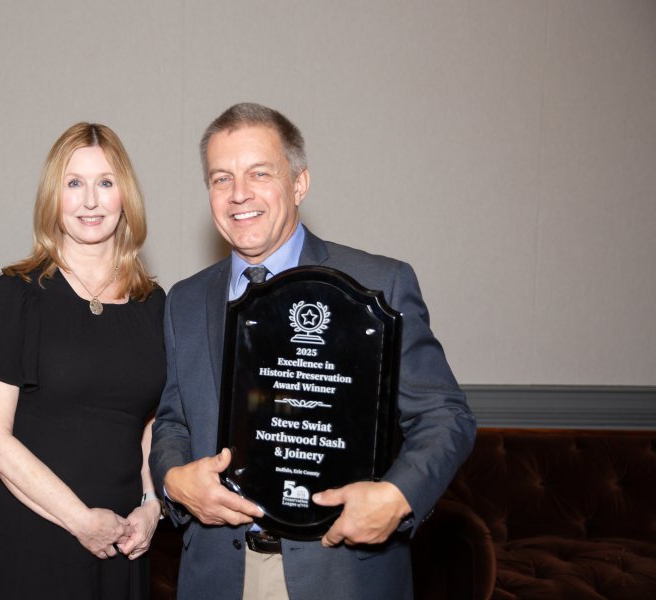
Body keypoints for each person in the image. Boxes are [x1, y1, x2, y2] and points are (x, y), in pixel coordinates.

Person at [149, 103, 476, 600]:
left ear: (299, 183)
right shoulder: (186, 301)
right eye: (221, 178)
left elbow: (445, 416)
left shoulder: (379, 284)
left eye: (260, 173)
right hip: (218, 575)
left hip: (340, 574)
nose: (239, 194)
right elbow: (173, 421)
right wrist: (173, 480)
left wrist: (398, 496)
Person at [0, 122, 166, 599]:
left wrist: (151, 504)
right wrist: (80, 520)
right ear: (54, 198)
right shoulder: (16, 295)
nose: (90, 201)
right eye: (74, 183)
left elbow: (151, 422)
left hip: (122, 534)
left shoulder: (154, 305)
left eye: (105, 182)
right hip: (28, 530)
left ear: (126, 197)